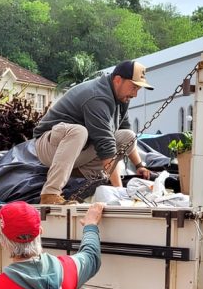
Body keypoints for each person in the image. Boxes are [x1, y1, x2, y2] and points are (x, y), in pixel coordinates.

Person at [33, 60, 154, 205]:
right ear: (118, 80)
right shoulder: (97, 96)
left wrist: (139, 166)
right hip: (50, 145)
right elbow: (105, 144)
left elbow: (126, 134)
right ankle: (50, 193)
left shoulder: (121, 98)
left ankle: (79, 171)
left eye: (138, 89)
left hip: (77, 150)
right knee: (79, 131)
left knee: (128, 136)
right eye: (133, 87)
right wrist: (120, 193)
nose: (135, 94)